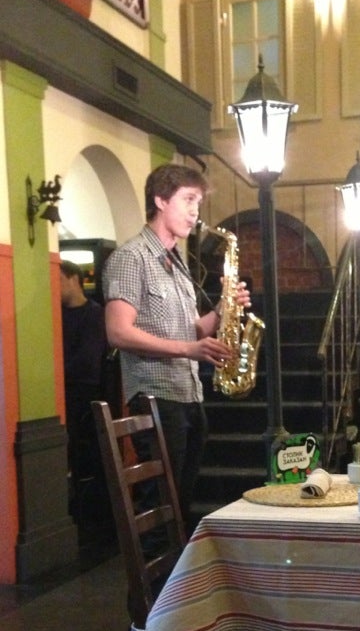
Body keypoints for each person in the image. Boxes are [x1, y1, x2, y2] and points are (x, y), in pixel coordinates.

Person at [103, 163, 249, 534]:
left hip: (188, 396)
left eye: (198, 202)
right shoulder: (132, 257)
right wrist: (188, 349)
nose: (195, 211)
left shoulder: (177, 262)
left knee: (179, 507)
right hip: (156, 397)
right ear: (160, 200)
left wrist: (223, 309)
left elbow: (194, 330)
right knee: (160, 509)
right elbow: (118, 332)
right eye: (188, 200)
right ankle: (155, 574)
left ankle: (176, 572)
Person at [60, 260, 114, 551]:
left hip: (84, 400)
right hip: (69, 395)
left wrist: (54, 372)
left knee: (87, 460)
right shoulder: (55, 314)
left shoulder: (94, 314)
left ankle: (93, 523)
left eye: (56, 279)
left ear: (73, 278)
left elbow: (87, 365)